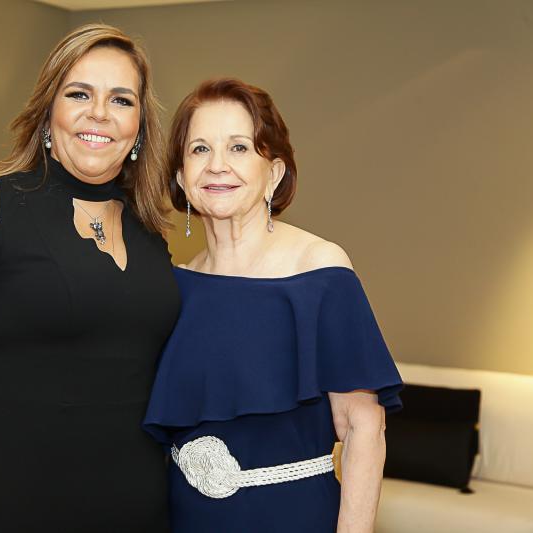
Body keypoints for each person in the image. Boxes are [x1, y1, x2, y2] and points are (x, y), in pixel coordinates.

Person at [0, 24, 179, 532]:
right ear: (48, 112)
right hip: (12, 511)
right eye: (79, 94)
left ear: (139, 128)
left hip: (141, 514)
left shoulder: (151, 234)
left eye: (121, 100)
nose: (100, 113)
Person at [142, 78, 404, 532]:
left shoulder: (319, 270)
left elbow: (363, 428)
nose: (217, 165)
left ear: (275, 173)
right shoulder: (174, 286)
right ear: (182, 178)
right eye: (200, 149)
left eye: (239, 147)